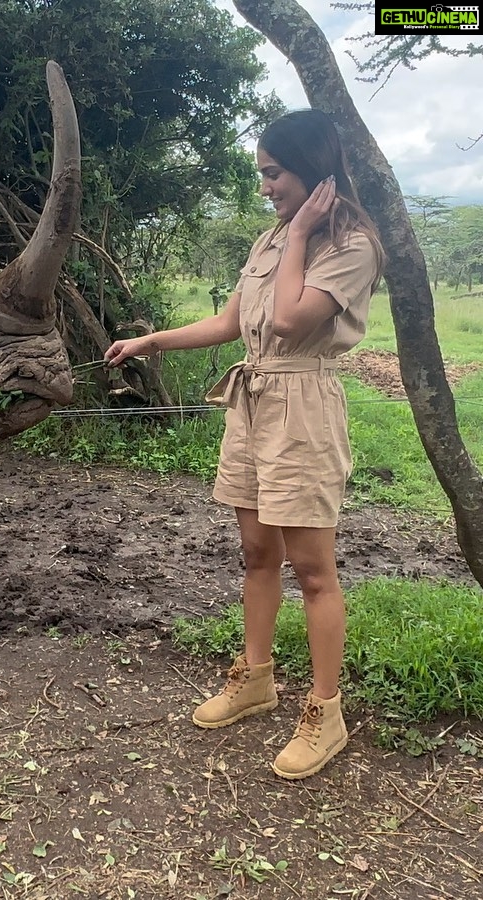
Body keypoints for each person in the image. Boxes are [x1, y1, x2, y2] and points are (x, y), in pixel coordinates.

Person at [104, 109, 385, 780]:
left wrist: (302, 236)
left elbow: (289, 321)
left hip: (304, 407)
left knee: (313, 571)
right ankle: (255, 678)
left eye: (274, 174)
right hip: (252, 404)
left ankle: (325, 712)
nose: (265, 188)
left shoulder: (350, 244)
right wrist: (151, 341)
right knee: (256, 553)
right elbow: (235, 320)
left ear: (312, 168)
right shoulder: (269, 240)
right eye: (262, 175)